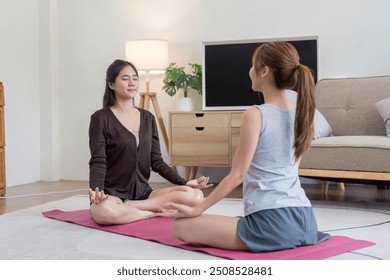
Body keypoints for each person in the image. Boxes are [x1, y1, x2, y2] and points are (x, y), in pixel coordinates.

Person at [166, 42, 330, 252]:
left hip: (272, 224)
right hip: (306, 221)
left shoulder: (255, 114)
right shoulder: (301, 113)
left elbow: (237, 175)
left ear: (264, 71)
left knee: (181, 226)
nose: (250, 71)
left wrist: (197, 209)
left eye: (252, 65)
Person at [88, 59, 211, 225]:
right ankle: (154, 212)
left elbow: (156, 160)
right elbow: (98, 160)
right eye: (125, 78)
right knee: (104, 212)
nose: (132, 83)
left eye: (135, 78)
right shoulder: (100, 118)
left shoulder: (148, 118)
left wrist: (183, 182)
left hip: (144, 193)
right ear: (111, 84)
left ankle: (135, 207)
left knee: (195, 196)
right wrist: (97, 191)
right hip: (112, 195)